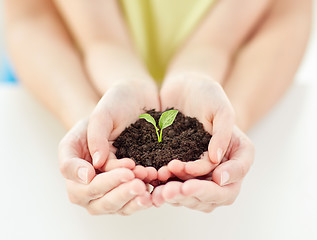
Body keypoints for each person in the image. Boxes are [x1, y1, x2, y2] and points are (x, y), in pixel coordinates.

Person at [5, 0, 312, 215]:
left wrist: (232, 117)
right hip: (66, 67)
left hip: (236, 72)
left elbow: (287, 13)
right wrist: (88, 113)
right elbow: (31, 15)